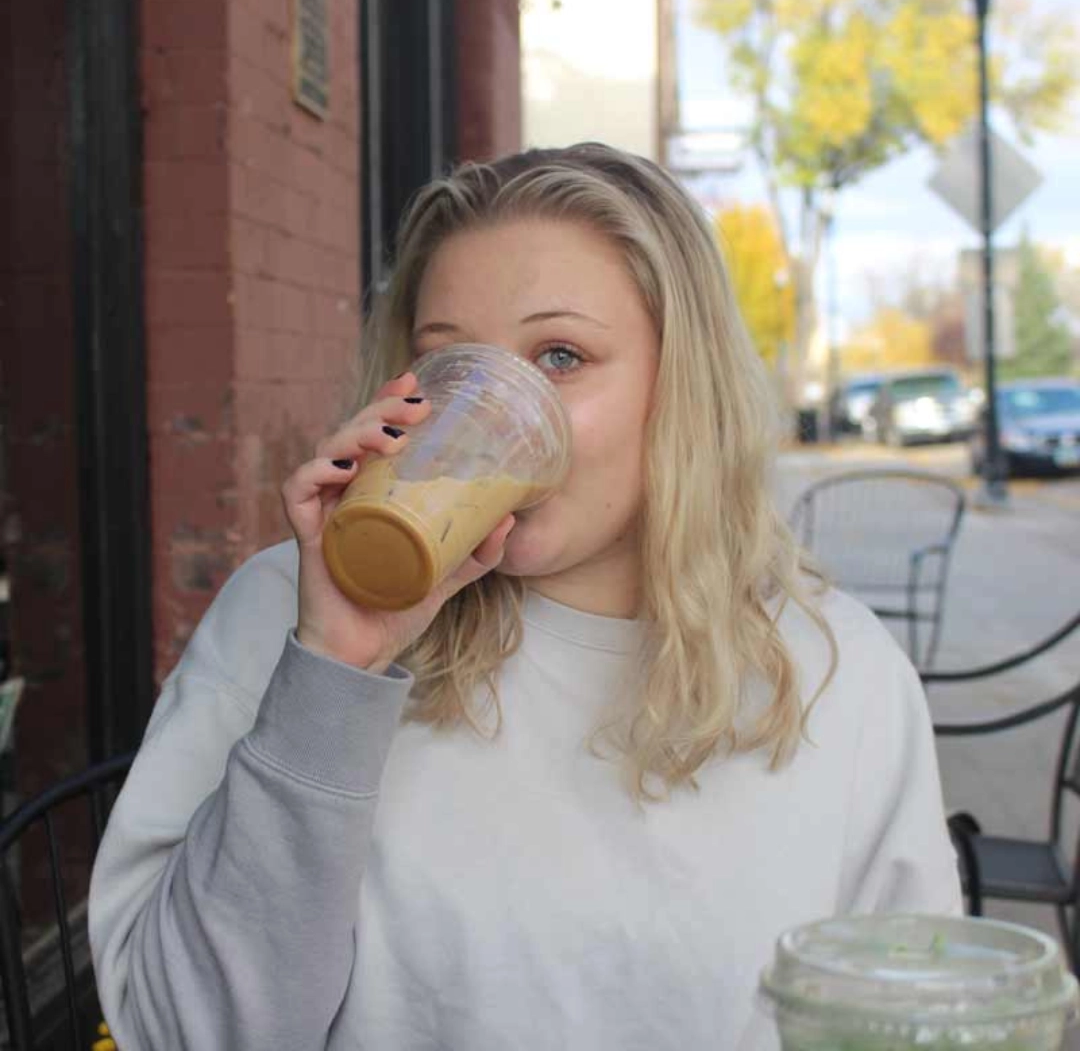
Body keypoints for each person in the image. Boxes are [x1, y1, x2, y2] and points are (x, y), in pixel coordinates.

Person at [89, 143, 960, 1051]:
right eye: (451, 363)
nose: (491, 417)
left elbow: (912, 1017)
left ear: (682, 387)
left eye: (559, 355)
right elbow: (180, 1034)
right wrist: (335, 669)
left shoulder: (833, 672)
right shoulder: (288, 614)